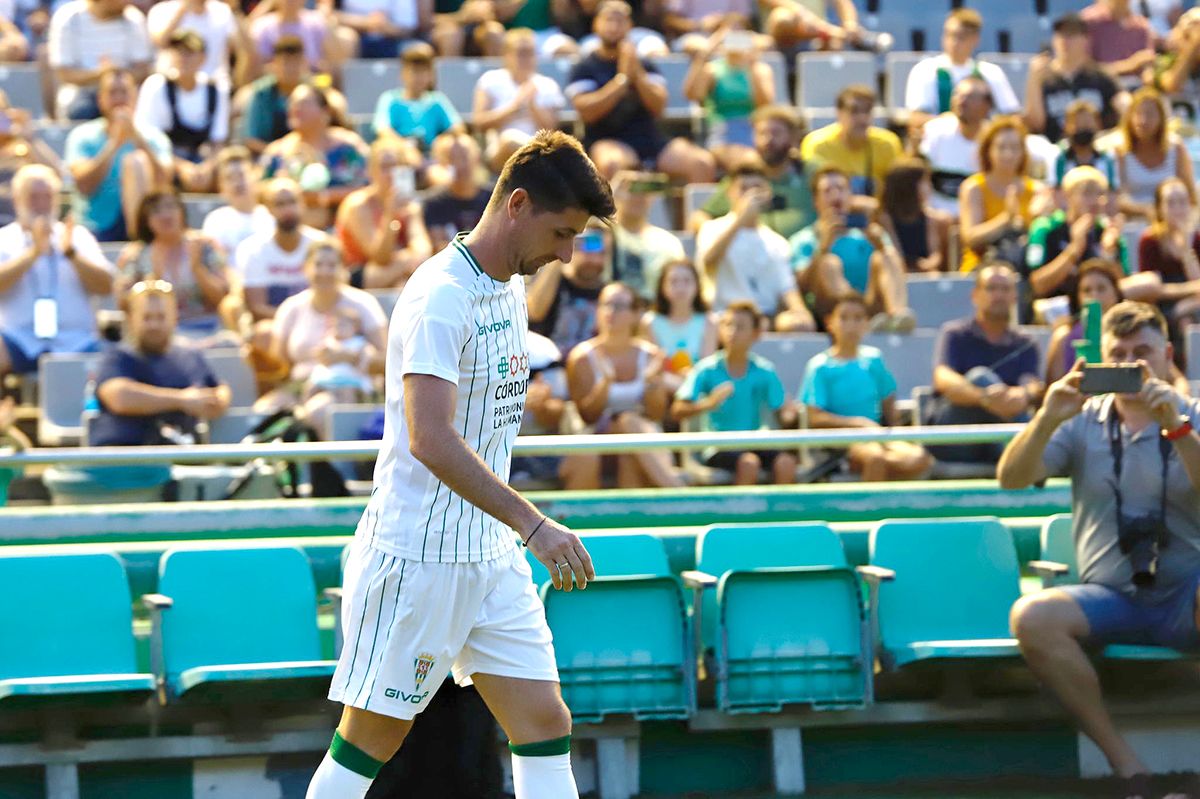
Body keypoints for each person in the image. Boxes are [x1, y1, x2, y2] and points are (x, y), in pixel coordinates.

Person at [306, 130, 614, 799]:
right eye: (562, 233)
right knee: (369, 739)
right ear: (517, 204)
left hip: (490, 552)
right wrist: (535, 525)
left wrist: (512, 531)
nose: (567, 253)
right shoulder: (439, 294)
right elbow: (431, 438)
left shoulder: (508, 285)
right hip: (417, 557)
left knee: (543, 721)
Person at [999, 301, 1200, 799]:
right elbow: (1011, 478)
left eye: (1143, 354)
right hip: (1110, 595)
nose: (1132, 364)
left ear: (1167, 354)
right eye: (1119, 354)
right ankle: (1129, 769)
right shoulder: (1080, 419)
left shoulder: (1191, 414)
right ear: (1100, 361)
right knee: (1032, 616)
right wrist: (1046, 417)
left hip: (1186, 593)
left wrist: (1176, 429)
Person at [566, 0, 716, 185]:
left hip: (650, 140)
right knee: (612, 164)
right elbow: (586, 112)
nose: (614, 27)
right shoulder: (585, 66)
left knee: (701, 163)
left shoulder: (645, 65)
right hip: (606, 139)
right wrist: (621, 81)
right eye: (608, 20)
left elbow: (659, 107)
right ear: (596, 24)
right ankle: (617, 215)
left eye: (620, 21)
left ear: (630, 26)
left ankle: (696, 214)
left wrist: (637, 75)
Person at [801, 292, 933, 481]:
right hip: (839, 445)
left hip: (877, 436)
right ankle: (870, 510)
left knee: (919, 459)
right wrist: (856, 424)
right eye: (844, 318)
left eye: (858, 319)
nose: (851, 325)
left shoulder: (874, 359)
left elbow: (888, 401)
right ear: (830, 322)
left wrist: (892, 433)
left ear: (866, 324)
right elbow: (815, 417)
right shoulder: (819, 366)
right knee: (875, 458)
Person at [262, 238, 387, 435]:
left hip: (350, 387)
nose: (324, 272)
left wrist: (347, 357)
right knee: (261, 413)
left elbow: (387, 361)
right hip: (302, 386)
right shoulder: (291, 308)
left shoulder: (364, 304)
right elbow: (278, 366)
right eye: (318, 264)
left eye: (332, 265)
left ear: (343, 269)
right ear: (306, 268)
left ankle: (332, 466)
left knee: (319, 410)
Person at [566, 281, 684, 489]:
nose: (610, 312)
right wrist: (605, 383)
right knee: (628, 422)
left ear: (635, 313)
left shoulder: (651, 355)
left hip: (641, 442)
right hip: (597, 441)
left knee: (629, 450)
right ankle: (679, 492)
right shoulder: (581, 357)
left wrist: (651, 384)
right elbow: (587, 415)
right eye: (605, 305)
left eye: (619, 306)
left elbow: (656, 413)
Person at [0, 164, 113, 379]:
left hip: (76, 340)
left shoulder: (77, 236)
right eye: (34, 197)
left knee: (113, 365)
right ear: (17, 200)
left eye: (48, 196)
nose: (42, 205)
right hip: (17, 339)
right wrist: (32, 254)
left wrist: (71, 255)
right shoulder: (4, 238)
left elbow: (107, 286)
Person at [671, 299, 796, 485]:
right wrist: (709, 403)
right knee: (749, 463)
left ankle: (786, 514)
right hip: (718, 447)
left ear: (755, 334)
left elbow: (784, 413)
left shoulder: (765, 370)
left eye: (740, 327)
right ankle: (744, 513)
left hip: (756, 443)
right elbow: (677, 410)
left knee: (786, 463)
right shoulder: (706, 369)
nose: (732, 332)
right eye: (728, 325)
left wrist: (791, 413)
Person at [92, 280, 230, 447]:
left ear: (175, 318)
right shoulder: (118, 357)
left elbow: (216, 391)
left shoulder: (190, 357)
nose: (154, 325)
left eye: (161, 317)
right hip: (127, 457)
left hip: (181, 457)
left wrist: (219, 400)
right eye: (146, 317)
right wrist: (181, 400)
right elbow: (119, 397)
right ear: (131, 319)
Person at [929, 262, 1043, 464]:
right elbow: (943, 379)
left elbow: (1031, 383)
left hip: (998, 441)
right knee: (979, 377)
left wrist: (1023, 394)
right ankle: (1029, 456)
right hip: (958, 437)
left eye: (1005, 289)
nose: (998, 295)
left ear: (1014, 296)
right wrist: (983, 397)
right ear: (975, 295)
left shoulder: (1026, 343)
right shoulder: (955, 334)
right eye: (991, 288)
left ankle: (1020, 455)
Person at [697, 155, 814, 332]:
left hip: (765, 319)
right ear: (730, 193)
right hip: (727, 317)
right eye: (744, 189)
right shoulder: (713, 229)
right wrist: (741, 220)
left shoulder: (777, 242)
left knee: (799, 324)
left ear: (768, 193)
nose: (751, 195)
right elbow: (709, 262)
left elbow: (787, 289)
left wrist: (801, 312)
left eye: (757, 188)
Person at [790, 165, 912, 329]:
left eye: (841, 189)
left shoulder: (871, 233)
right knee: (828, 262)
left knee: (887, 255)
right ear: (815, 201)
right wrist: (823, 248)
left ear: (851, 196)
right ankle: (853, 317)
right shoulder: (804, 239)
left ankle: (897, 318)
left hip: (871, 307)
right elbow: (799, 286)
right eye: (827, 191)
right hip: (830, 314)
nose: (835, 195)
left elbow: (900, 273)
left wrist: (880, 244)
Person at [65, 68, 173, 243]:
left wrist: (137, 139)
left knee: (136, 162)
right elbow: (84, 185)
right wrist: (114, 144)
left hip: (148, 225)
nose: (119, 99)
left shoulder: (153, 137)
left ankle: (140, 239)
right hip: (97, 224)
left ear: (135, 97)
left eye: (124, 92)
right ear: (101, 99)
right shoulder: (82, 136)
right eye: (112, 93)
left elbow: (165, 182)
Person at [114, 190, 229, 336]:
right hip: (159, 333)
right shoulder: (135, 255)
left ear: (181, 212)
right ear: (146, 220)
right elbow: (125, 304)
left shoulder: (204, 246)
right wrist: (153, 278)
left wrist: (197, 268)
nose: (165, 215)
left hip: (208, 326)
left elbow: (222, 298)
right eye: (156, 211)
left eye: (170, 207)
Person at [260, 83, 369, 230]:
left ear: (325, 111)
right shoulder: (277, 152)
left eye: (304, 103)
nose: (296, 108)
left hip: (345, 227)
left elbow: (369, 188)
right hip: (290, 233)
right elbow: (258, 190)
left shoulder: (349, 147)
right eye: (292, 103)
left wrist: (324, 197)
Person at [133, 30, 230, 193]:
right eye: (178, 52)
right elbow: (146, 139)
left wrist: (206, 168)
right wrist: (181, 166)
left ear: (203, 58)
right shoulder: (156, 86)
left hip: (202, 159)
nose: (183, 58)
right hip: (164, 157)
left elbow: (218, 141)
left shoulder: (216, 89)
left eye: (189, 53)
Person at [336, 137, 431, 291]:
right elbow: (380, 257)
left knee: (404, 283)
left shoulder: (409, 206)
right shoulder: (358, 205)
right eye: (385, 167)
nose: (391, 174)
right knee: (381, 274)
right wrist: (390, 215)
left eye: (396, 167)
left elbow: (422, 250)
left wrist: (408, 261)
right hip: (359, 275)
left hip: (398, 273)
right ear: (370, 171)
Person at [958, 115, 1047, 273]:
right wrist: (1006, 219)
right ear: (988, 150)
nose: (1008, 154)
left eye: (1015, 148)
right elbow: (970, 237)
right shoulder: (974, 188)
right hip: (981, 268)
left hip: (1025, 268)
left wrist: (1039, 220)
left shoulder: (1037, 190)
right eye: (1001, 147)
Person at [903, 9, 1019, 128]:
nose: (953, 42)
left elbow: (1012, 116)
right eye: (949, 34)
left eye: (961, 37)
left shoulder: (991, 73)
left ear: (975, 39)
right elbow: (915, 119)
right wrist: (951, 124)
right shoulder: (924, 70)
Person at [1027, 165, 1128, 301]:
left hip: (1099, 305)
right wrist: (1075, 249)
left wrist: (1109, 254)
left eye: (1100, 194)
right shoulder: (1045, 229)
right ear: (1068, 196)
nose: (1095, 200)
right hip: (1056, 305)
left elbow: (1121, 289)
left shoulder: (1108, 233)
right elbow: (1038, 285)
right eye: (1087, 193)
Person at [473, 28, 566, 173]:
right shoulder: (490, 80)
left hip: (541, 151)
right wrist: (515, 106)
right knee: (510, 140)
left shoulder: (548, 85)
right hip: (500, 153)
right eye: (521, 53)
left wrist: (532, 104)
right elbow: (479, 123)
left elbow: (552, 129)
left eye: (530, 53)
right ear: (507, 55)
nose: (526, 58)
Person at [234, 177, 325, 321]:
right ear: (268, 209)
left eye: (292, 202)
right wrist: (295, 321)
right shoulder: (253, 250)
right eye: (280, 204)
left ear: (303, 203)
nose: (287, 209)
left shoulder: (321, 245)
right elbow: (257, 308)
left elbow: (334, 295)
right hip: (274, 324)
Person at [682, 26, 773, 167]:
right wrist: (704, 54)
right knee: (750, 161)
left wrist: (751, 64)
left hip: (755, 132)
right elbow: (692, 95)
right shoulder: (712, 70)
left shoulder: (760, 69)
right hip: (722, 133)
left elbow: (765, 105)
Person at [1024, 13, 1122, 145]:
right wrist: (1034, 80)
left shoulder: (1101, 76)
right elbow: (1036, 124)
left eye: (1071, 35)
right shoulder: (1043, 78)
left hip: (1097, 151)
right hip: (1055, 152)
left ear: (1086, 39)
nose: (1065, 40)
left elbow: (1124, 107)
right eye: (1060, 34)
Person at [47, 0, 152, 120]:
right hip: (82, 92)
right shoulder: (68, 18)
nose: (126, 2)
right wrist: (102, 74)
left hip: (126, 90)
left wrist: (116, 79)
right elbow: (64, 74)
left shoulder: (133, 18)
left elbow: (142, 70)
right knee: (82, 111)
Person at [800, 85, 902, 202]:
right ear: (839, 113)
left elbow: (897, 191)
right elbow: (815, 194)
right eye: (854, 111)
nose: (862, 118)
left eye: (867, 111)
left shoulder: (888, 144)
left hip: (876, 216)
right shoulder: (818, 145)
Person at [918, 75, 995, 217]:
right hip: (938, 218)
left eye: (971, 97)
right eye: (957, 94)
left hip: (980, 220)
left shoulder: (996, 140)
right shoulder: (934, 130)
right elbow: (921, 178)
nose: (961, 101)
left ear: (987, 106)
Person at [528, 223, 609, 354]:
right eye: (587, 250)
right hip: (549, 366)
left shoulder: (607, 293)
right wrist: (560, 252)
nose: (594, 260)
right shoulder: (554, 281)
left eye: (602, 253)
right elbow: (534, 312)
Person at [1115, 87, 1193, 221]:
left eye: (1150, 114)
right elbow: (1116, 199)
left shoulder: (1176, 148)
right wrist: (1146, 211)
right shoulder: (1120, 151)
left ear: (1162, 118)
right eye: (1138, 114)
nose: (1143, 120)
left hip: (1173, 221)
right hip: (1133, 224)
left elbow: (1189, 191)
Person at [638, 259, 716, 394]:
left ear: (697, 285)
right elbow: (653, 368)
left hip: (698, 388)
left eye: (687, 281)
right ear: (662, 287)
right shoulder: (650, 321)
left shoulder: (709, 322)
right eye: (673, 281)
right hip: (663, 391)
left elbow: (706, 369)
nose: (680, 288)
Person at [1044, 258, 1124, 385]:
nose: (1094, 296)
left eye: (1101, 288)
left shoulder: (1131, 334)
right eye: (1087, 290)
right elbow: (1053, 387)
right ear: (1077, 297)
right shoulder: (1063, 337)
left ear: (1116, 293)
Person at [1136, 177, 1200, 337]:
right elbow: (1152, 289)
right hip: (1162, 305)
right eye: (1171, 203)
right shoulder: (1150, 240)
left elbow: (1196, 280)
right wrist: (1188, 292)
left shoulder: (1196, 239)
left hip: (1192, 303)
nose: (1178, 209)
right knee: (1185, 320)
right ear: (1160, 208)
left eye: (1183, 202)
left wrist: (1186, 249)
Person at [372, 42, 463, 152]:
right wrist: (405, 148)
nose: (419, 77)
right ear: (403, 73)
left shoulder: (437, 99)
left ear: (431, 75)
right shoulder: (390, 98)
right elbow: (382, 129)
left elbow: (457, 127)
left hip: (432, 155)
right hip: (400, 154)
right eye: (414, 71)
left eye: (424, 71)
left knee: (464, 143)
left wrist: (440, 143)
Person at [609, 169, 685, 301]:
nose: (639, 196)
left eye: (645, 189)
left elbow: (680, 284)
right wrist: (609, 196)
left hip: (654, 312)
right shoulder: (604, 234)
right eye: (632, 188)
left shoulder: (668, 242)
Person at [146, 0, 253, 86]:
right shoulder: (162, 10)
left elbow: (246, 50)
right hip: (172, 87)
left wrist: (235, 9)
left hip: (215, 87)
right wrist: (184, 8)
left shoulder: (223, 11)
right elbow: (160, 42)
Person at [0, 93, 65, 230]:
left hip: (24, 227)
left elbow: (57, 176)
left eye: (2, 112)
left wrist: (30, 139)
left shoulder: (23, 149)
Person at [237, 35, 310, 154]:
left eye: (296, 61)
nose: (291, 68)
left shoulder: (314, 92)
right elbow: (251, 139)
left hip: (309, 156)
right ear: (274, 64)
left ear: (304, 63)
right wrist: (280, 155)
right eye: (286, 62)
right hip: (270, 157)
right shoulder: (261, 93)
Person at [422, 132, 492, 254]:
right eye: (452, 158)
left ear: (477, 158)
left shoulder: (493, 198)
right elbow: (440, 249)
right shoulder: (434, 202)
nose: (459, 164)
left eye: (464, 156)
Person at [201, 146, 275, 259]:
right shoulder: (215, 221)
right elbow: (214, 265)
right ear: (221, 186)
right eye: (229, 178)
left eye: (241, 175)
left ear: (256, 176)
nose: (237, 183)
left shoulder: (272, 216)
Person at [878, 159, 951, 273]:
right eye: (925, 181)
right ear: (908, 186)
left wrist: (927, 264)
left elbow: (935, 255)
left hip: (926, 274)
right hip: (898, 274)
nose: (930, 186)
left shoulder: (930, 218)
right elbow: (894, 253)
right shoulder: (885, 218)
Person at [249, 0, 352, 75]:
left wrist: (328, 19)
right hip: (274, 86)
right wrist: (289, 71)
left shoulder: (317, 21)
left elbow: (336, 60)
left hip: (312, 83)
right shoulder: (262, 25)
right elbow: (258, 67)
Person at [1048, 99, 1120, 192]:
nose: (1083, 128)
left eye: (1087, 123)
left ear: (1098, 125)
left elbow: (1112, 191)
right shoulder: (1058, 158)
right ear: (1066, 126)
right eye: (1078, 123)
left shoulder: (1108, 159)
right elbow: (1055, 190)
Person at [1081, 0, 1154, 81]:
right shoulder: (1089, 21)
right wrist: (1129, 65)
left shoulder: (1141, 25)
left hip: (1138, 88)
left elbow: (1147, 67)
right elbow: (1083, 68)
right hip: (1101, 89)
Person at [337, 0, 426, 59]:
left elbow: (409, 28)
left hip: (396, 40)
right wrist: (366, 23)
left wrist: (387, 28)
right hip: (357, 38)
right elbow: (330, 14)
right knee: (345, 38)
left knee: (419, 50)